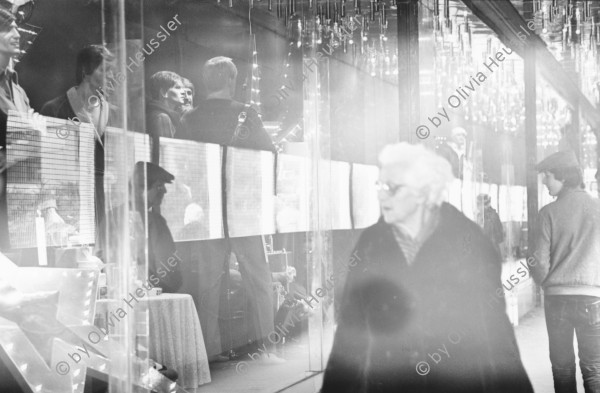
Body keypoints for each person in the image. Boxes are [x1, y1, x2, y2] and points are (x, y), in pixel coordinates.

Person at [321, 143, 532, 393]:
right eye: (379, 186)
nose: (381, 195)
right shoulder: (371, 244)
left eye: (392, 187)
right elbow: (350, 334)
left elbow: (496, 335)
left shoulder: (469, 243)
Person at [530, 150, 600, 393]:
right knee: (593, 368)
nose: (544, 182)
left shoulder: (547, 213)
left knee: (562, 368)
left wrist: (547, 283)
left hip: (557, 300)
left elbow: (538, 262)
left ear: (562, 177)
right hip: (592, 298)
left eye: (547, 176)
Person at [41, 44, 113, 226]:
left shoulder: (114, 114)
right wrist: (49, 207)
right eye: (104, 70)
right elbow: (47, 163)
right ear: (85, 70)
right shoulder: (55, 109)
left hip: (106, 200)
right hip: (70, 200)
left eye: (112, 71)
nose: (111, 76)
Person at [96, 162, 182, 294]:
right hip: (148, 298)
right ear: (141, 190)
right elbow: (168, 272)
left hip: (116, 296)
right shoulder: (154, 222)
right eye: (159, 186)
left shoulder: (110, 218)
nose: (164, 191)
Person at [180, 56, 275, 152]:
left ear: (205, 80)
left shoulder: (188, 117)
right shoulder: (247, 114)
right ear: (230, 80)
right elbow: (270, 152)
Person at [147, 71, 185, 164]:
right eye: (178, 88)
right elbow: (166, 156)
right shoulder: (162, 118)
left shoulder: (160, 115)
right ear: (164, 92)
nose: (183, 92)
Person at [476, 193, 504, 258]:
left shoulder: (494, 216)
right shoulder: (478, 216)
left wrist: (502, 255)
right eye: (478, 204)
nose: (478, 207)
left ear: (486, 205)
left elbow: (500, 236)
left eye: (480, 204)